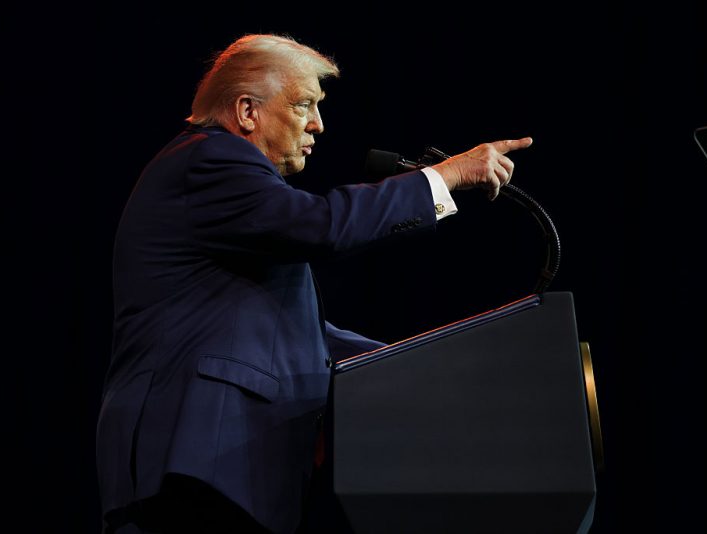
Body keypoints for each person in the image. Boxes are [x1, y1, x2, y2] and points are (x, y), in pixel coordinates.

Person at [96, 33, 532, 534]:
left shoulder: (227, 198)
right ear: (246, 110)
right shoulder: (209, 160)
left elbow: (301, 338)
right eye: (304, 104)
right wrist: (445, 176)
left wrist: (428, 365)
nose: (319, 125)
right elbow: (323, 226)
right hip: (194, 459)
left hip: (217, 468)